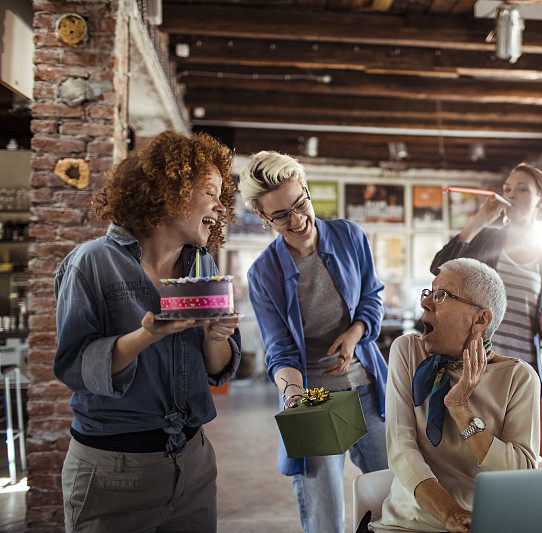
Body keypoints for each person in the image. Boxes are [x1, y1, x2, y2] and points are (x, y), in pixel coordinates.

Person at [54, 131, 242, 532]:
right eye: (211, 191)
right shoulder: (90, 263)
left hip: (193, 462)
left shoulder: (202, 266)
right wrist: (147, 336)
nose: (220, 206)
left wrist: (215, 338)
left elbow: (217, 370)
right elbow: (74, 367)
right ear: (169, 189)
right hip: (114, 473)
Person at [240, 151, 388, 533]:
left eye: (300, 203)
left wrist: (355, 334)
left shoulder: (350, 236)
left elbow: (372, 296)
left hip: (368, 388)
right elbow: (279, 349)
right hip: (314, 400)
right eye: (281, 215)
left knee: (396, 498)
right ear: (262, 217)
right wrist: (293, 395)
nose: (298, 219)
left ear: (306, 190)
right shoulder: (263, 274)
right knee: (325, 516)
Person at [369, 258, 540, 533]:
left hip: (484, 523)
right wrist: (449, 514)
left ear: (481, 319)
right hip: (408, 525)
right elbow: (401, 448)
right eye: (428, 293)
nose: (425, 303)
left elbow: (521, 474)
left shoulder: (518, 378)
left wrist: (460, 408)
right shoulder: (408, 352)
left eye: (442, 296)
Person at [430, 164, 542, 385]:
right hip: (478, 367)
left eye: (522, 189)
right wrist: (480, 219)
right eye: (507, 189)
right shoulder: (487, 239)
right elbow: (439, 268)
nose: (511, 195)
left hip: (523, 373)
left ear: (540, 201)